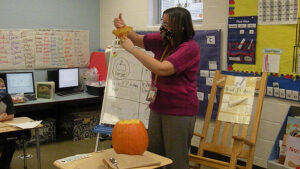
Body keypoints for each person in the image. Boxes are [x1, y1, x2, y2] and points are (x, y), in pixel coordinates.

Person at [114, 7, 200, 169]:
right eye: (162, 22)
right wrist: (122, 27)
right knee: (154, 155)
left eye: (167, 24)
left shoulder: (190, 48)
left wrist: (131, 49)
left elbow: (162, 69)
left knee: (175, 159)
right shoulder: (164, 40)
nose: (163, 28)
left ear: (181, 27)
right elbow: (138, 39)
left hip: (179, 110)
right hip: (159, 106)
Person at [0, 77, 16, 169]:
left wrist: (2, 119)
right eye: (0, 87)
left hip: (4, 129)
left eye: (3, 86)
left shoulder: (7, 97)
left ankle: (3, 166)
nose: (2, 89)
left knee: (12, 143)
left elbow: (11, 115)